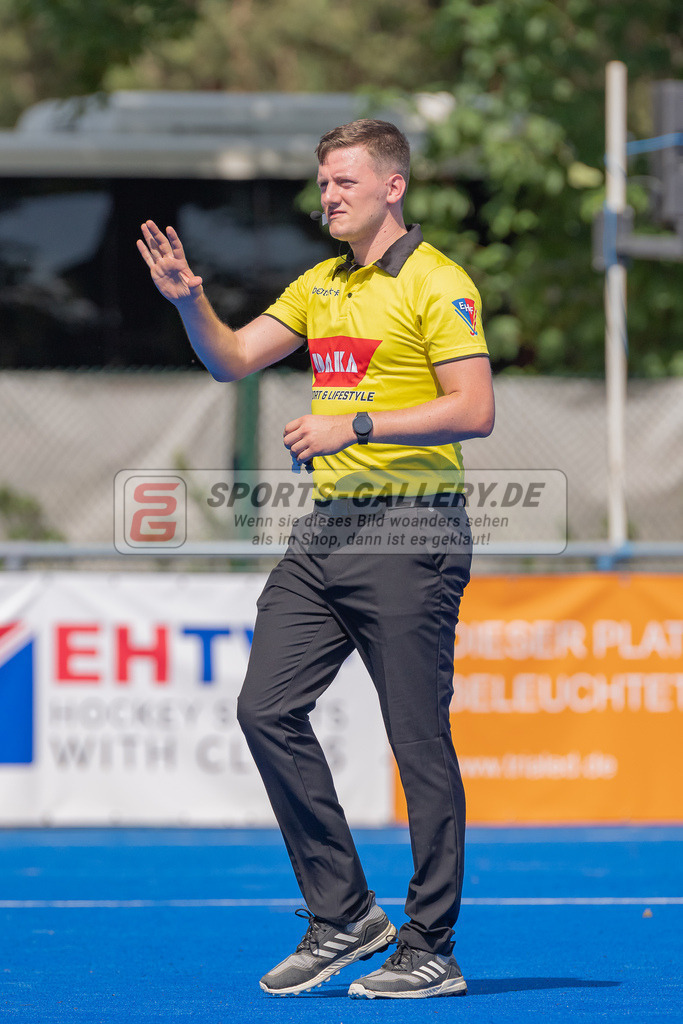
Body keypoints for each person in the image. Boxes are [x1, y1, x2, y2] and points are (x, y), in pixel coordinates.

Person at [137, 118, 494, 999]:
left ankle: (431, 947)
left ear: (392, 186)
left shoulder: (435, 281)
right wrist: (190, 300)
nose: (329, 195)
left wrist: (355, 423)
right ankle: (343, 914)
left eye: (344, 181)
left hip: (412, 534)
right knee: (265, 709)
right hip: (327, 533)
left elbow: (474, 407)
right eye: (324, 183)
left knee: (416, 742)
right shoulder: (320, 285)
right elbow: (230, 360)